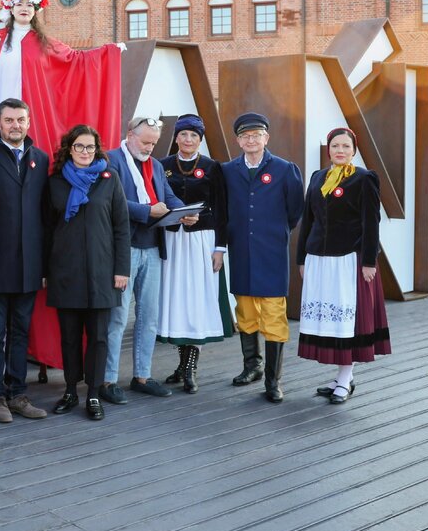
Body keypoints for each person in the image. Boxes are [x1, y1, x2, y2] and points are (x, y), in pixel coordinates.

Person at [0, 0, 122, 160]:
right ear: (11, 8)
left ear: (36, 10)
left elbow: (75, 59)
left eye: (30, 5)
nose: (24, 8)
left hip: (30, 106)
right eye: (19, 4)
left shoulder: (44, 42)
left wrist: (109, 52)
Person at [103, 117, 197, 402]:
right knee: (117, 317)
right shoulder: (111, 160)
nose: (150, 147)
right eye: (145, 142)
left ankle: (142, 375)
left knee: (149, 317)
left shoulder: (155, 165)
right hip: (124, 247)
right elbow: (111, 200)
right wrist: (147, 212)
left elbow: (168, 197)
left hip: (153, 247)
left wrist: (185, 211)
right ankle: (107, 380)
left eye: (154, 143)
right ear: (129, 135)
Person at [297, 127, 391, 403]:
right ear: (328, 149)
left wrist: (369, 261)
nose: (340, 150)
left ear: (354, 150)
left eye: (346, 146)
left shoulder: (364, 179)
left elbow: (370, 223)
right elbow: (308, 220)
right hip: (319, 259)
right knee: (329, 321)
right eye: (335, 146)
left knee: (346, 322)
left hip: (348, 260)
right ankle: (341, 378)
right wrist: (302, 257)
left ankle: (346, 379)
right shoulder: (317, 177)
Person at [0, 97, 48, 423]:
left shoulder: (41, 159)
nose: (16, 125)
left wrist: (44, 266)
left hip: (30, 265)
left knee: (20, 331)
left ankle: (18, 394)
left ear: (29, 123)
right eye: (9, 120)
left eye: (21, 120)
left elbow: (44, 215)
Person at [44, 125, 129, 420]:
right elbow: (46, 230)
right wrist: (45, 270)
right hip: (65, 271)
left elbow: (121, 227)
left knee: (98, 337)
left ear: (97, 149)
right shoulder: (55, 182)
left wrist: (122, 270)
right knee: (68, 337)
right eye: (79, 147)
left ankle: (93, 393)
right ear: (69, 149)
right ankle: (70, 390)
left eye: (89, 147)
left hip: (102, 273)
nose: (84, 152)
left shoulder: (109, 179)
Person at [220, 112, 304, 403]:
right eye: (245, 136)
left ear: (266, 138)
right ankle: (251, 367)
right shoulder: (228, 171)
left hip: (271, 254)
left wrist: (274, 232)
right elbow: (225, 210)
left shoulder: (284, 169)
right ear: (238, 140)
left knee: (273, 316)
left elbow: (295, 211)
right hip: (242, 253)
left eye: (256, 135)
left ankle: (272, 380)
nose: (251, 140)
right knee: (245, 314)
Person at [156, 114, 234, 393]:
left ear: (200, 139)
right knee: (178, 300)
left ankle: (190, 367)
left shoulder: (213, 168)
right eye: (183, 135)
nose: (188, 140)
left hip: (202, 240)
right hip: (173, 240)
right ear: (176, 137)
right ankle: (181, 364)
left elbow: (222, 210)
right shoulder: (161, 165)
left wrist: (220, 249)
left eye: (194, 136)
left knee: (197, 300)